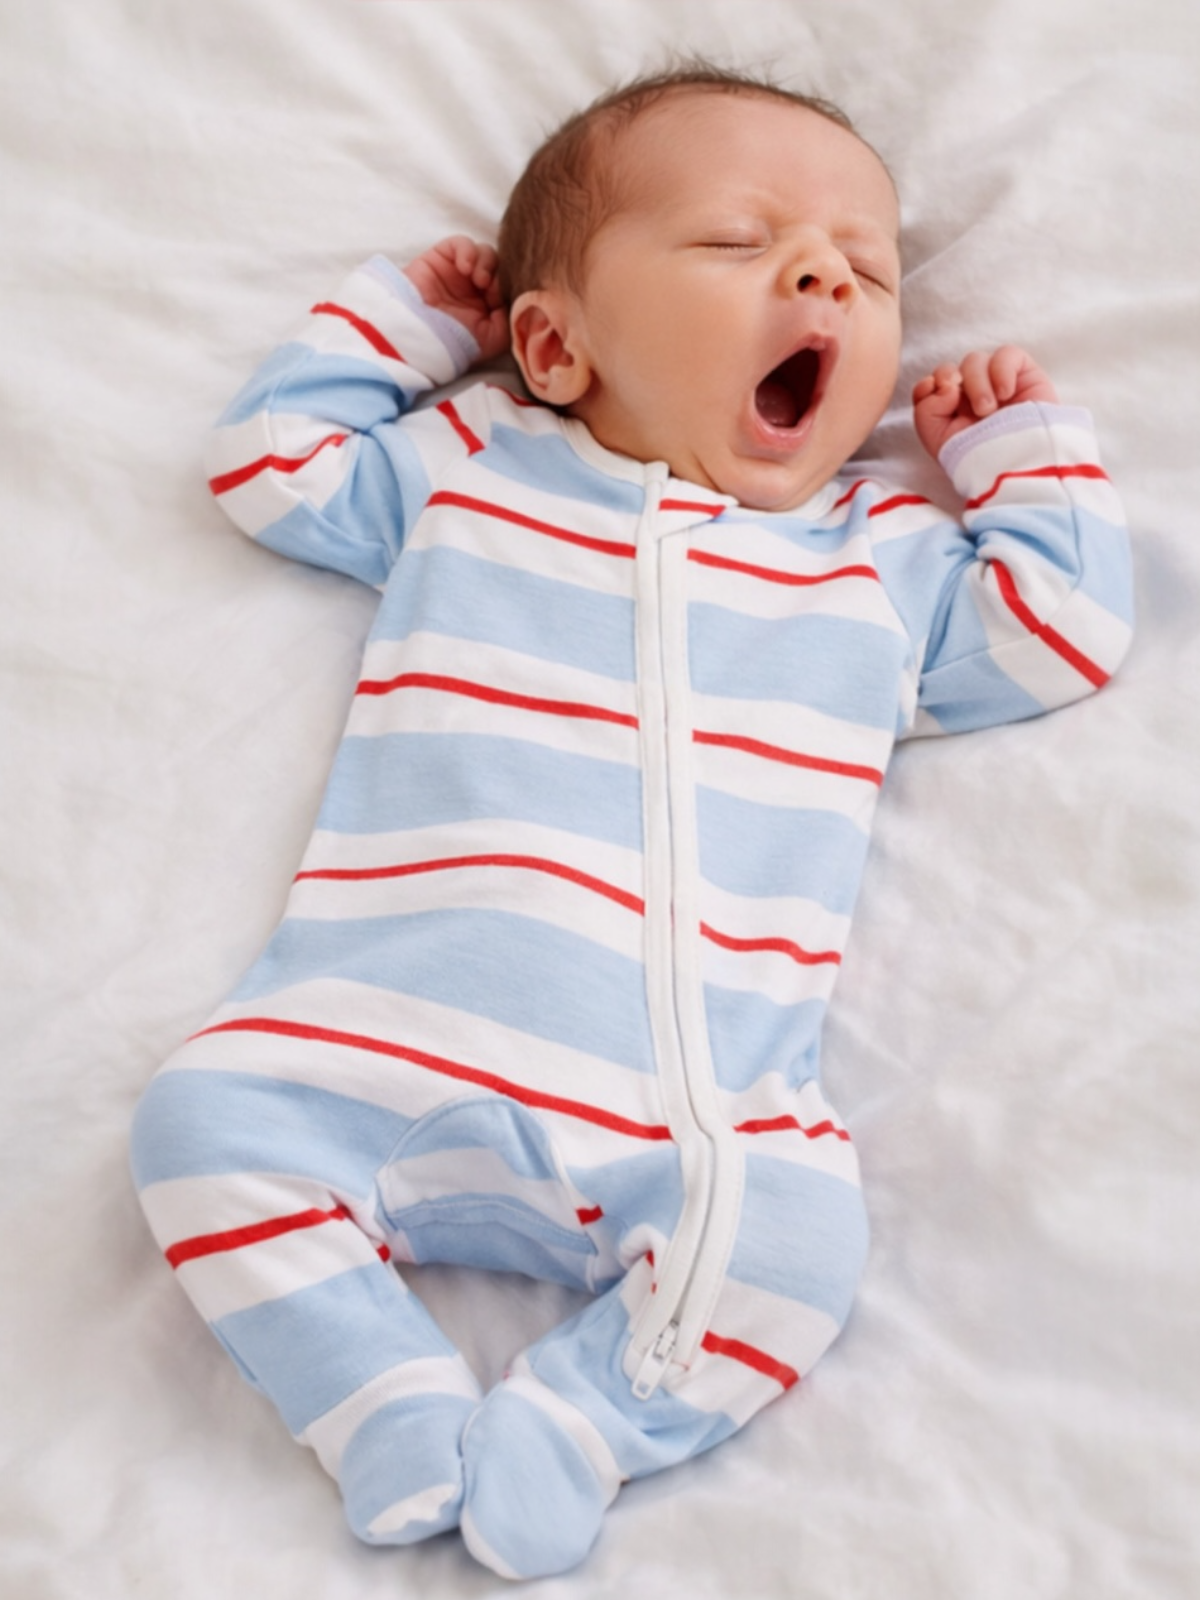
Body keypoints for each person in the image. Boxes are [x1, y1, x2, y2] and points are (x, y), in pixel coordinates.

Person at [130, 66, 1133, 1580]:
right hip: (365, 1034)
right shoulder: (476, 469)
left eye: (865, 271)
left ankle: (580, 1426)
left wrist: (1019, 456)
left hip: (698, 1116)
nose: (823, 274)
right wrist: (408, 326)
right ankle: (382, 1401)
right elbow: (270, 467)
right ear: (552, 344)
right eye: (739, 241)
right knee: (199, 1126)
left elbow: (1057, 630)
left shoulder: (877, 559)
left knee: (799, 1240)